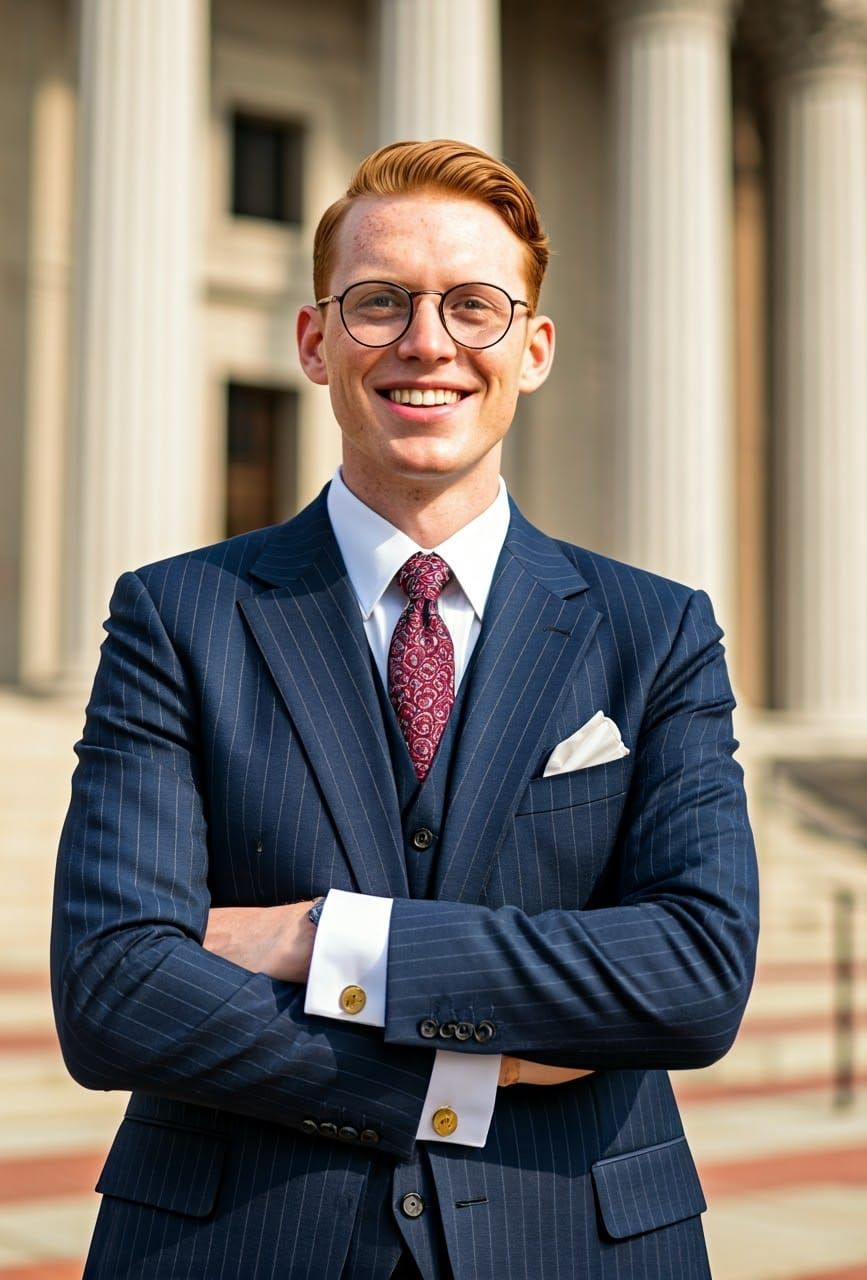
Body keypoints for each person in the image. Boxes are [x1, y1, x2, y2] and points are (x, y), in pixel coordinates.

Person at [51, 139, 759, 1279]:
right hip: (236, 1241)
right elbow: (114, 988)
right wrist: (464, 1076)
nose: (426, 342)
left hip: (574, 1240)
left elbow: (692, 972)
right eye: (378, 302)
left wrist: (323, 939)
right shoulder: (176, 613)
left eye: (473, 306)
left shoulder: (654, 629)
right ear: (313, 340)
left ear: (530, 349)